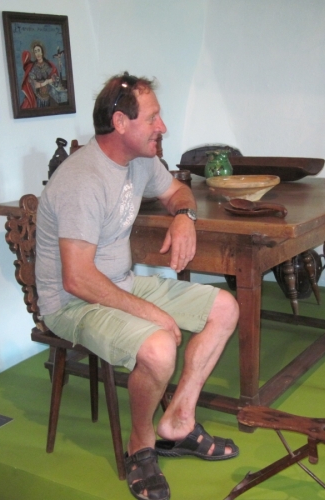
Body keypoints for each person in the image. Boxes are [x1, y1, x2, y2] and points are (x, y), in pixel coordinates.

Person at [35, 72, 240, 500]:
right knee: (160, 347)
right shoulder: (82, 180)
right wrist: (152, 315)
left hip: (118, 283)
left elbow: (178, 192)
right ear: (120, 122)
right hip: (72, 303)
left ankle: (179, 421)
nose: (162, 127)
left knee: (225, 308)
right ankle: (140, 445)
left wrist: (184, 217)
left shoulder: (141, 160)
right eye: (152, 118)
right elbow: (77, 278)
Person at [20, 40, 59, 108]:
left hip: (48, 97)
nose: (37, 53)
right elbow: (34, 84)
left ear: (42, 52)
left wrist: (50, 80)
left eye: (38, 50)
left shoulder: (49, 65)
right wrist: (46, 82)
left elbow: (55, 78)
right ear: (34, 54)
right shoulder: (32, 67)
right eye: (35, 51)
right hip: (37, 98)